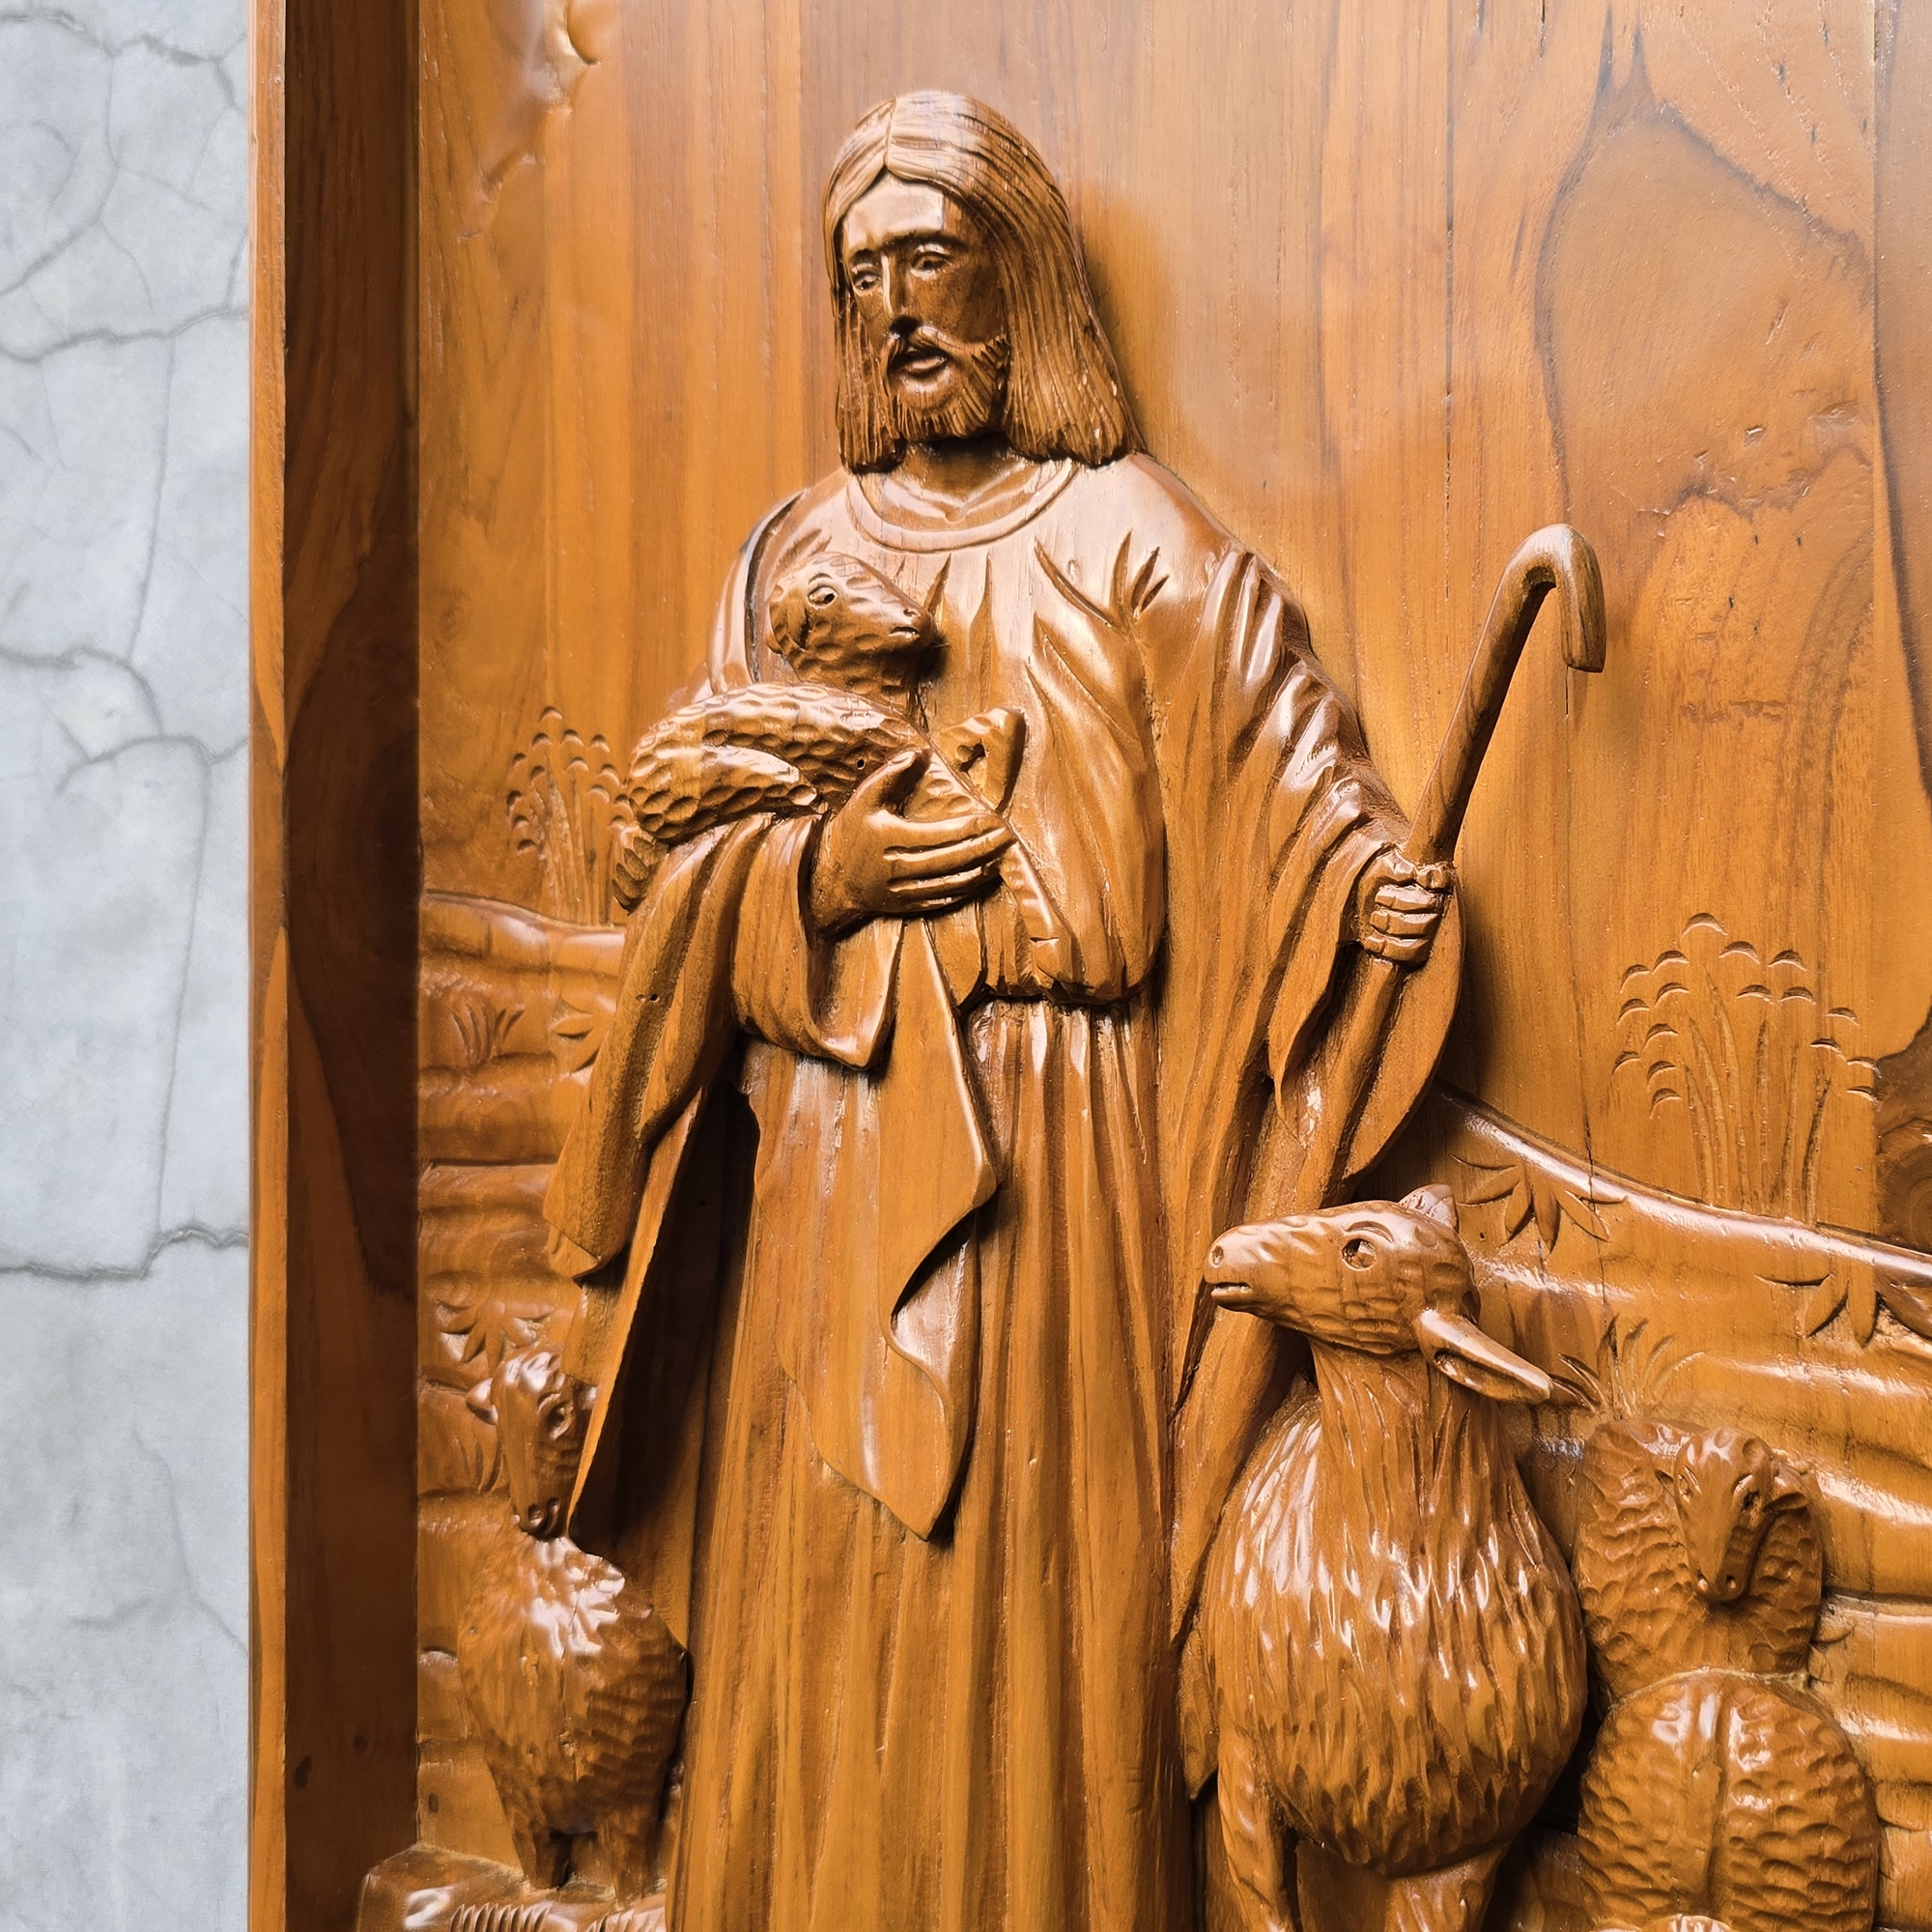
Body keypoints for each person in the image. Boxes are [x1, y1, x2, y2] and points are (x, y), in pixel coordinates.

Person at [544, 90, 1459, 1932]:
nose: (896, 307)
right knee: (832, 1596)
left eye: (931, 257)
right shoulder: (795, 555)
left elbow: (1278, 758)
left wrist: (1353, 880)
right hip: (832, 1141)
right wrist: (823, 884)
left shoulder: (1129, 535)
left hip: (1067, 1151)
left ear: (1017, 276)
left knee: (1053, 1591)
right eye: (860, 274)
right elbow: (690, 866)